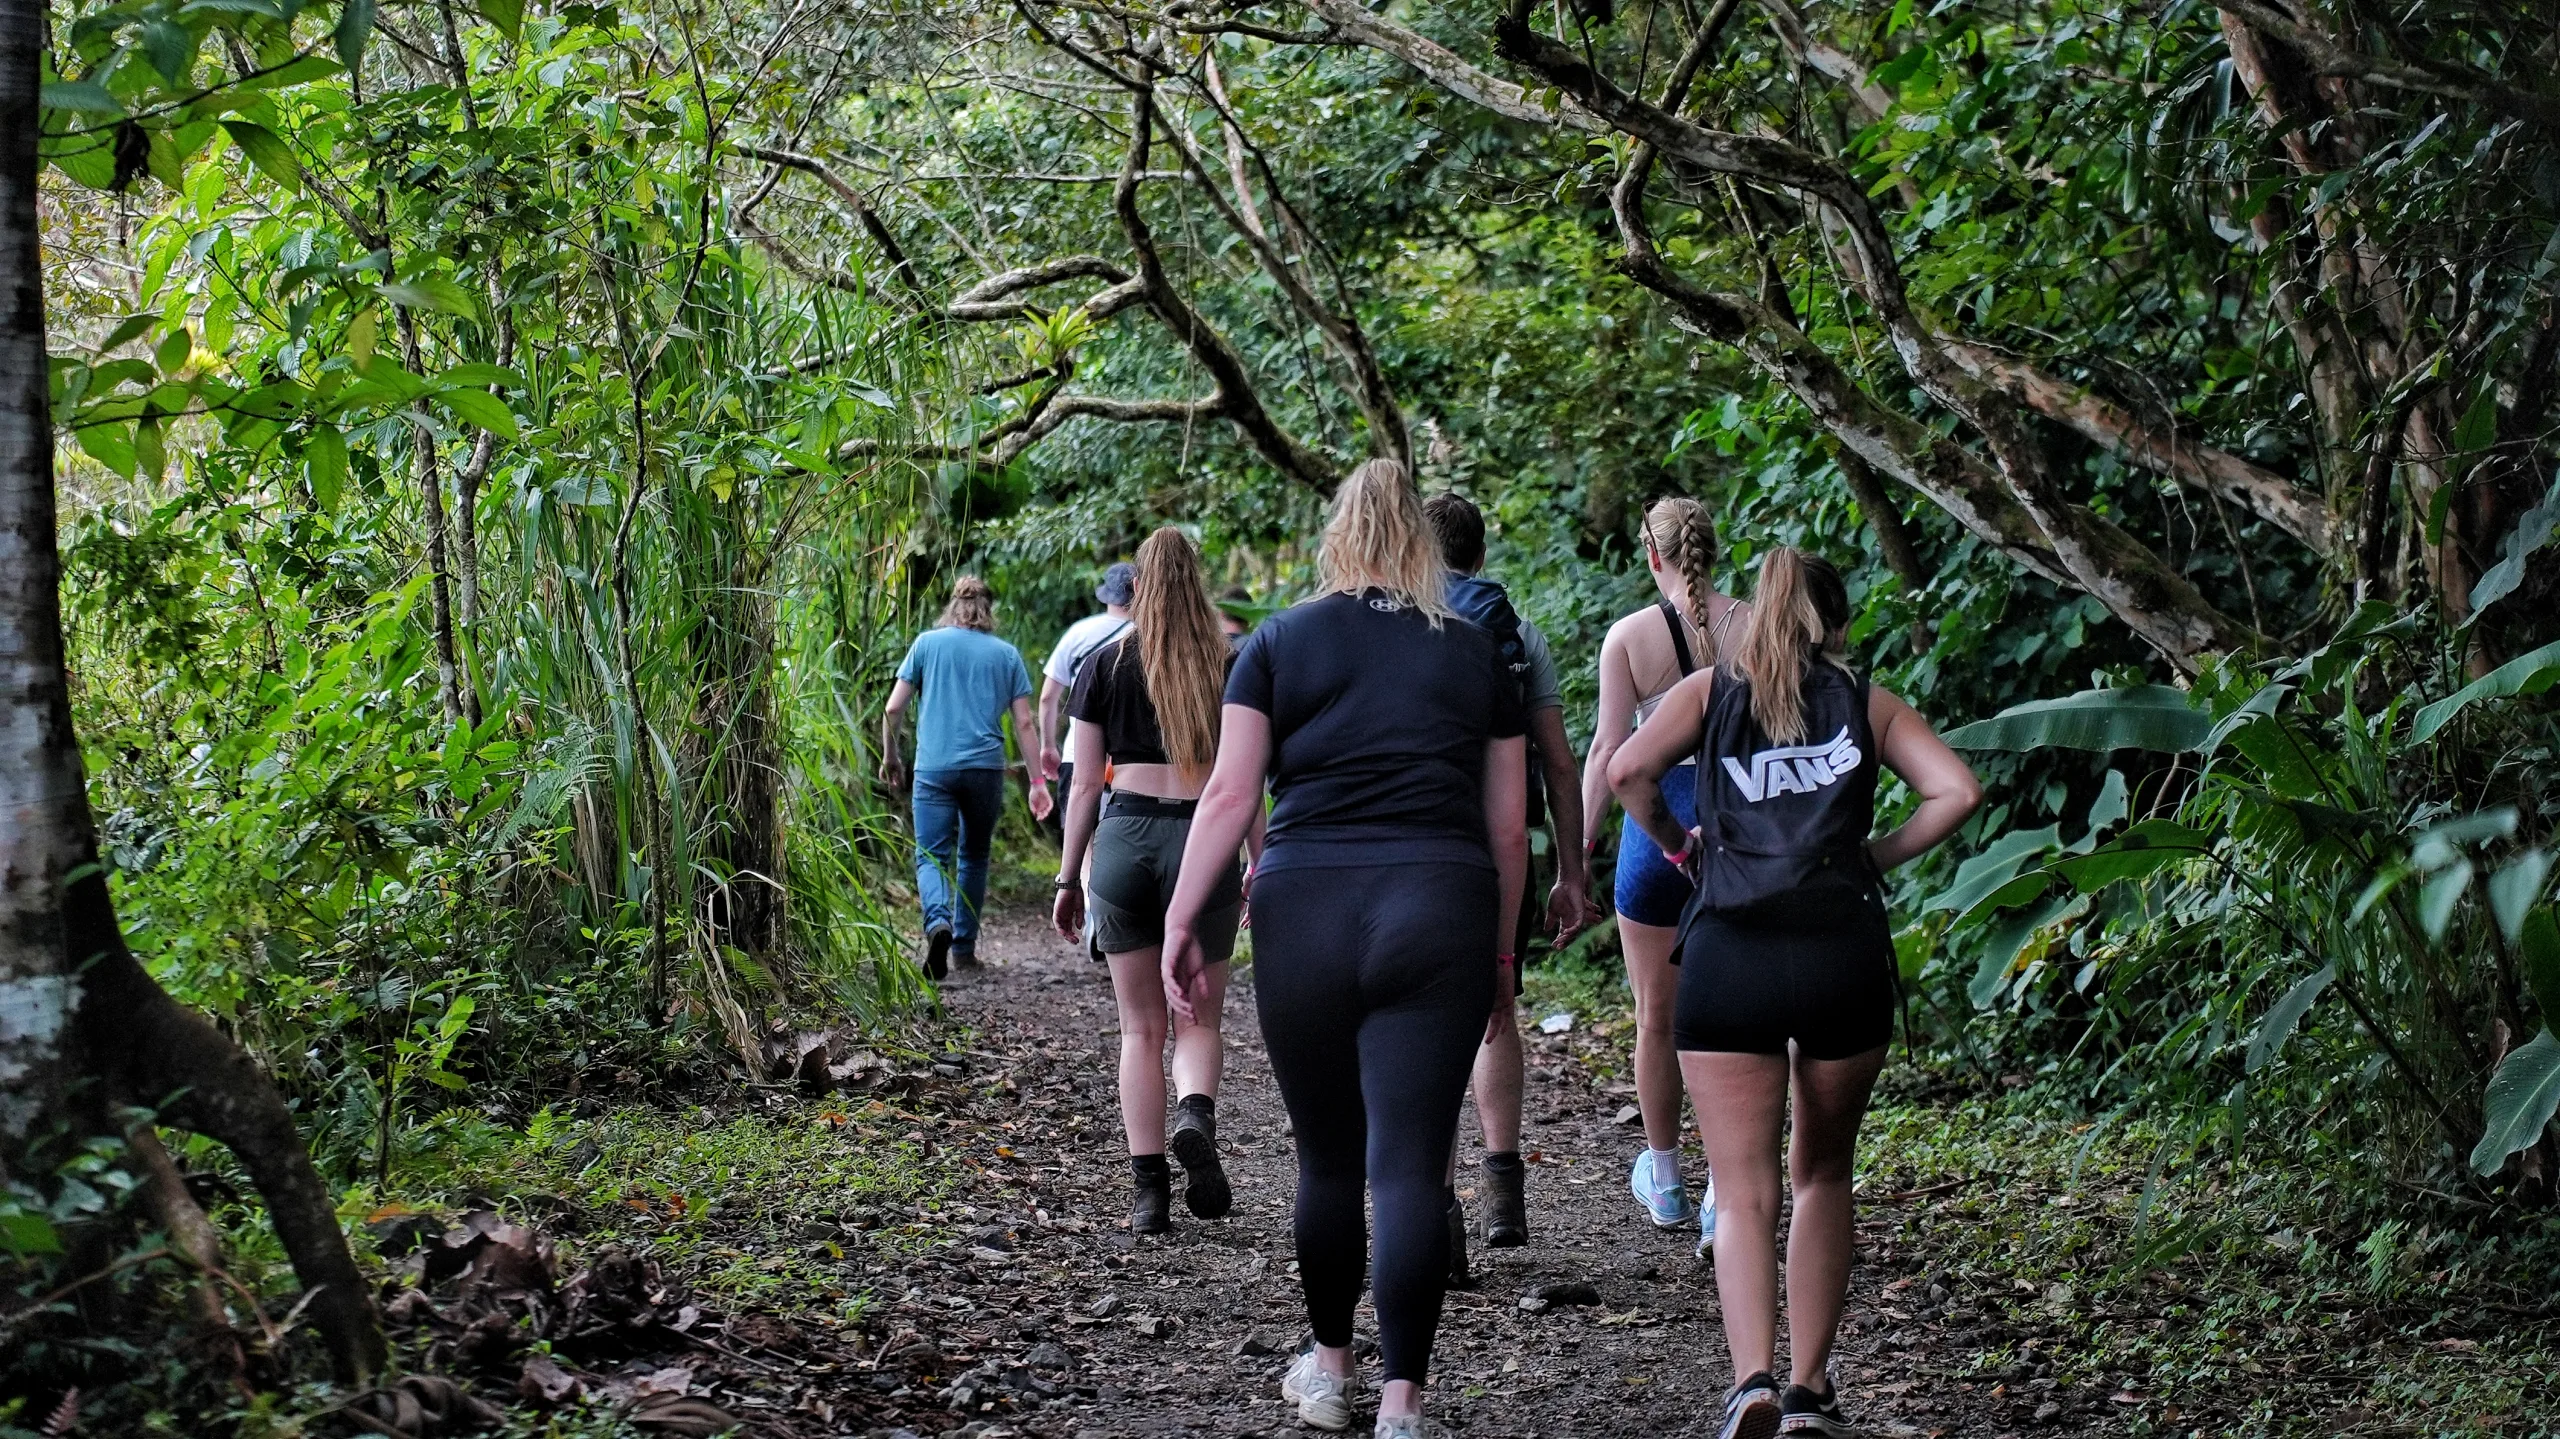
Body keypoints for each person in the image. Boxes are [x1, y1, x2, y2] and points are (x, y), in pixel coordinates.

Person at [1159, 459, 1528, 1439]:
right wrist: (1500, 959)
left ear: (1336, 532)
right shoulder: (1472, 648)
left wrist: (1181, 920)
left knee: (1326, 1161)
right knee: (1408, 1166)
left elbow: (1232, 796)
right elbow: (1505, 828)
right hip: (1440, 900)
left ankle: (1328, 1370)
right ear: (1417, 536)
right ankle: (1402, 1402)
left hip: (1305, 904)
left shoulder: (1277, 642)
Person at [1609, 548, 1980, 1439]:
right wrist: (1874, 855)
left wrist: (1683, 846)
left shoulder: (1709, 693)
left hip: (1729, 953)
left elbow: (1626, 772)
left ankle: (1753, 1383)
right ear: (1837, 621)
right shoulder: (1864, 700)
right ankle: (1812, 1391)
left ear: (1751, 618)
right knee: (1822, 1168)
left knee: (1740, 1192)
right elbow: (1956, 790)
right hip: (1838, 954)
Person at [1051, 529, 1260, 1235]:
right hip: (1204, 840)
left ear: (1136, 586)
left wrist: (1066, 877)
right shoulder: (1230, 663)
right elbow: (1246, 780)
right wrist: (1261, 855)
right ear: (1197, 581)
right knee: (1197, 1016)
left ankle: (1149, 1196)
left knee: (1139, 1028)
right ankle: (1194, 1111)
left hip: (1126, 840)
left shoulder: (1102, 662)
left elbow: (1083, 785)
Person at [1420, 491, 1591, 1258]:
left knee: (1419, 1027)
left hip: (1418, 847)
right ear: (1481, 555)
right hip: (1500, 853)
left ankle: (1437, 1200)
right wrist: (1570, 868)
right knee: (1496, 1010)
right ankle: (1503, 1190)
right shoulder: (1517, 633)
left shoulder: (1400, 626)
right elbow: (1557, 761)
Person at [1578, 497, 1746, 1244]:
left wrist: (1577, 855)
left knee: (1658, 1014)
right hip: (1740, 827)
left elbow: (1607, 754)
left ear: (1652, 555)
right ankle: (1726, 1190)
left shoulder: (1629, 637)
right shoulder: (1758, 625)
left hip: (1656, 837)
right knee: (1739, 1018)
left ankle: (1669, 1179)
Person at [881, 576, 1054, 978]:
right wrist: (1038, 783)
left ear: (952, 607)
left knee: (930, 853)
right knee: (973, 855)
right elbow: (1025, 723)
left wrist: (892, 758)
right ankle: (963, 949)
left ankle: (936, 921)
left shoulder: (927, 644)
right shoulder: (1006, 655)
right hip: (984, 770)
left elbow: (893, 709)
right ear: (988, 610)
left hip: (934, 769)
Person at [1038, 562, 1138, 836]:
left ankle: (1079, 878)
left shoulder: (1079, 633)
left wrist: (1048, 746)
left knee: (1082, 844)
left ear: (1106, 595)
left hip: (1078, 754)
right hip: (1133, 761)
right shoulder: (1150, 637)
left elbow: (1048, 697)